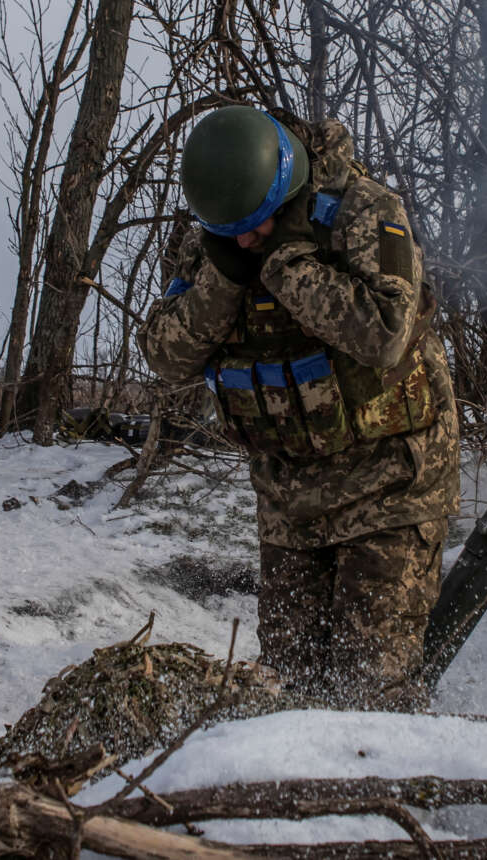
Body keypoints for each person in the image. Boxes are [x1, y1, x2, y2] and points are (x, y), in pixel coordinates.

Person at [138, 106, 460, 711]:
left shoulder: (366, 211)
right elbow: (165, 354)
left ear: (286, 187)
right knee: (291, 692)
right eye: (229, 231)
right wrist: (224, 279)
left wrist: (288, 268)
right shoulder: (216, 240)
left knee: (369, 693)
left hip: (389, 487)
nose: (243, 241)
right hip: (289, 501)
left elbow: (386, 334)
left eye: (254, 226)